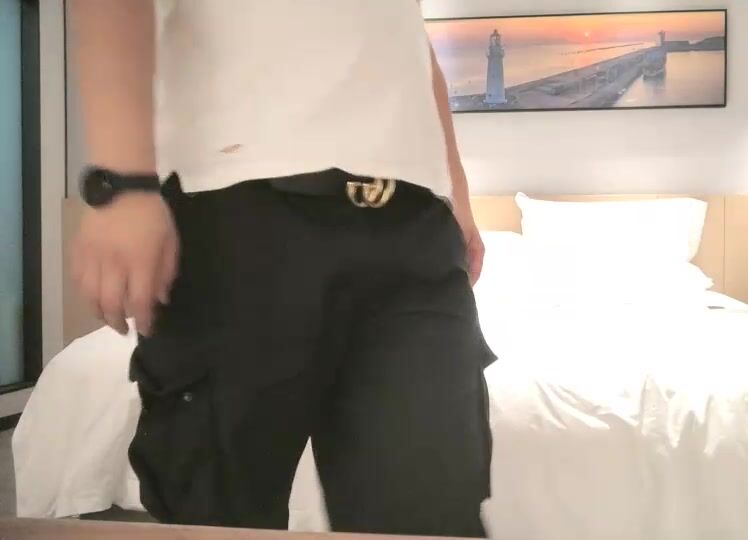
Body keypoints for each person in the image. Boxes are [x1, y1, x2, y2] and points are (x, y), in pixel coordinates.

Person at [68, 0, 493, 536]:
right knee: (219, 513)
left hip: (414, 223)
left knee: (432, 510)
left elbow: (405, 34)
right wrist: (123, 185)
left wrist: (456, 191)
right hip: (236, 208)